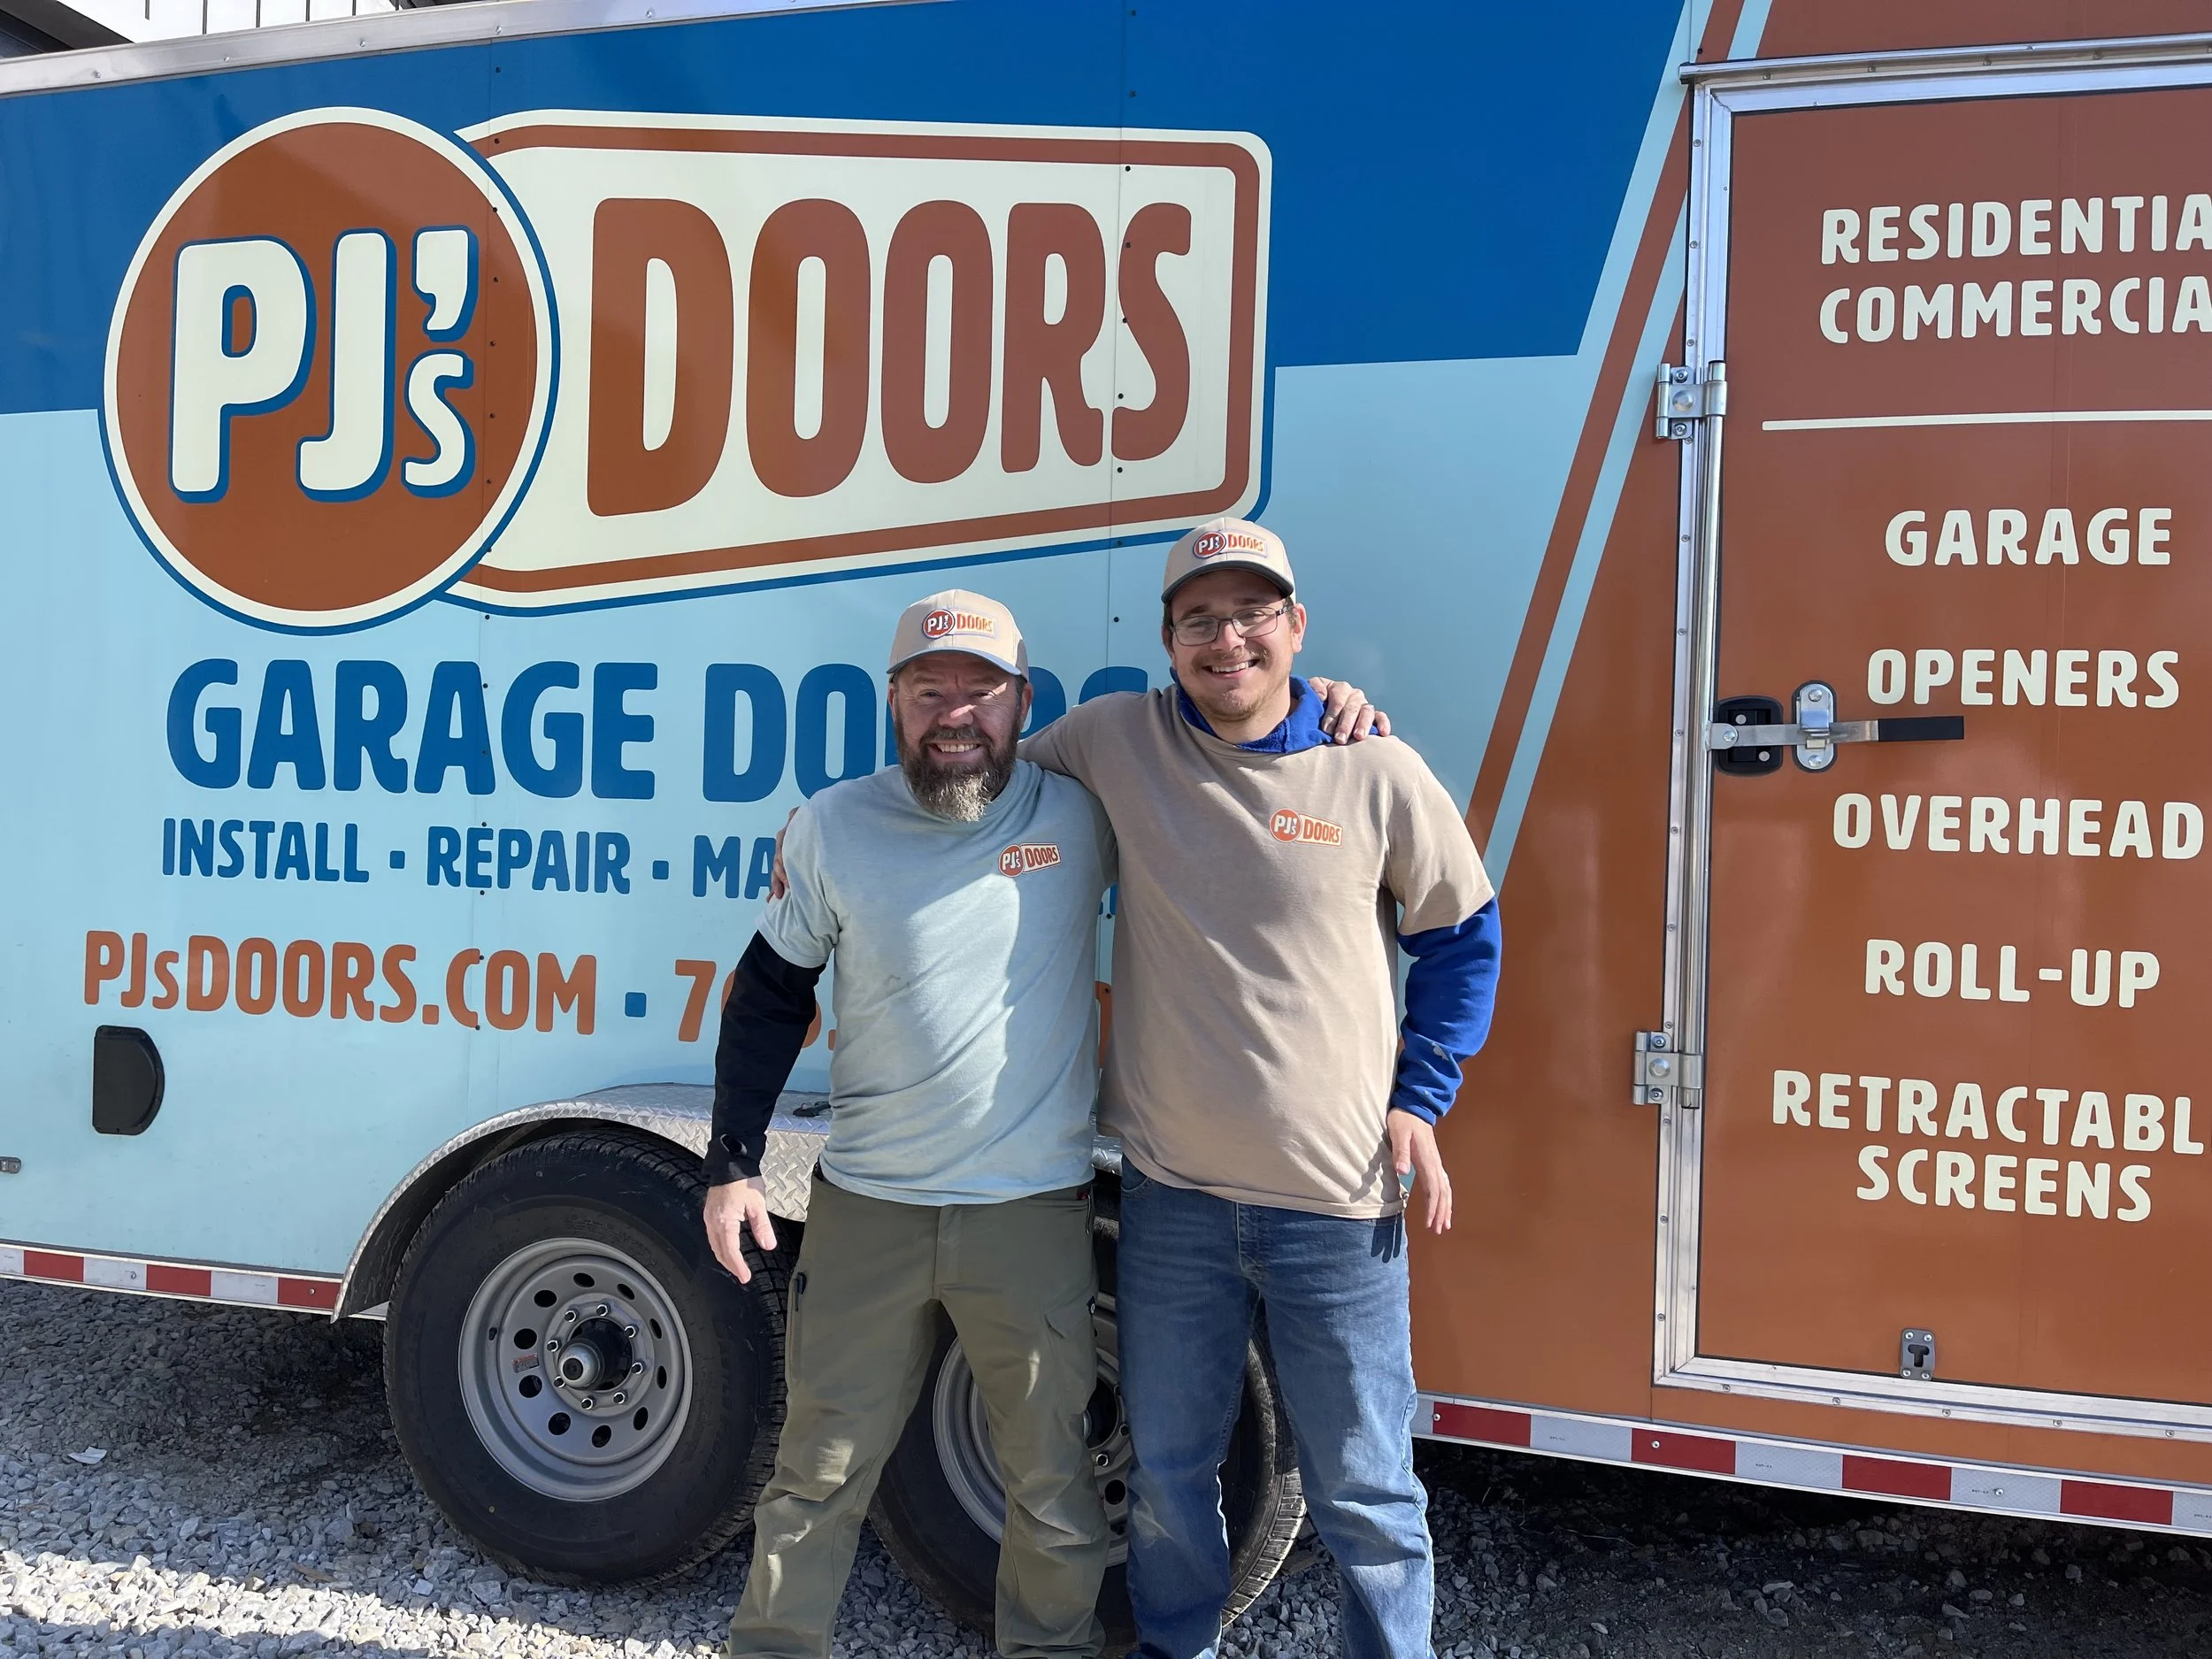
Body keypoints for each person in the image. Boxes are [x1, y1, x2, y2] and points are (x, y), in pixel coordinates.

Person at [700, 585, 1382, 1659]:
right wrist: (732, 1162)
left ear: (1024, 703)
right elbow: (772, 992)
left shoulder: (1082, 812)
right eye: (932, 689)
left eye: (983, 690)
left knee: (1053, 1490)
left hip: (1029, 1214)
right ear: (894, 700)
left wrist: (1322, 702)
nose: (956, 713)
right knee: (816, 1474)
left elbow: (1235, 759)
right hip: (868, 1206)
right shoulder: (831, 826)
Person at [1018, 518, 1502, 1659]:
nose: (1223, 639)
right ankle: (1177, 1645)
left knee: (1369, 1498)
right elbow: (978, 785)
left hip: (1338, 1210)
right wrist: (830, 824)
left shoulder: (1373, 768)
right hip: (1173, 1202)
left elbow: (1464, 938)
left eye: (1250, 616)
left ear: (1294, 628)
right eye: (1198, 621)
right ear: (1168, 640)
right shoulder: (1113, 739)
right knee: (1173, 1474)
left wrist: (1418, 1097)